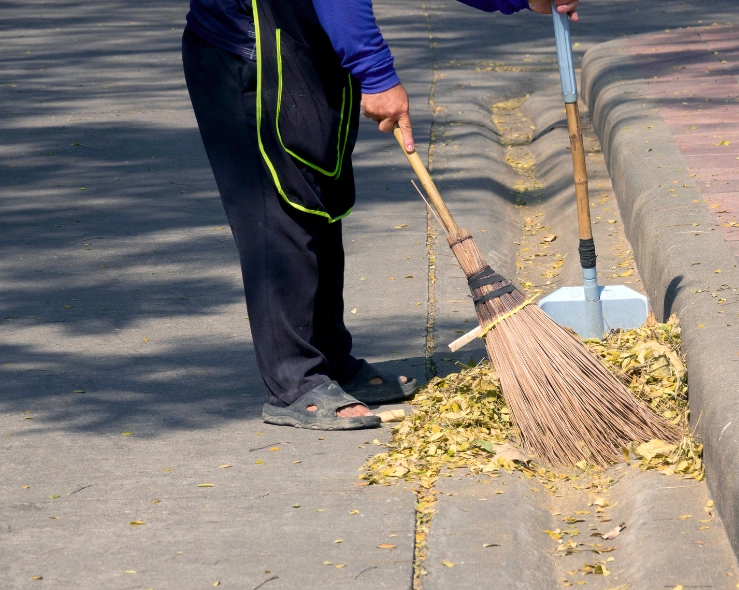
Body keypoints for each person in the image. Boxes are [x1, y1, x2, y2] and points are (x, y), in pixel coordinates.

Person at [181, 0, 579, 431]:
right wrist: (376, 72)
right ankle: (294, 383)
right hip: (250, 55)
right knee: (275, 211)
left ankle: (330, 360)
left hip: (305, 48)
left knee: (317, 204)